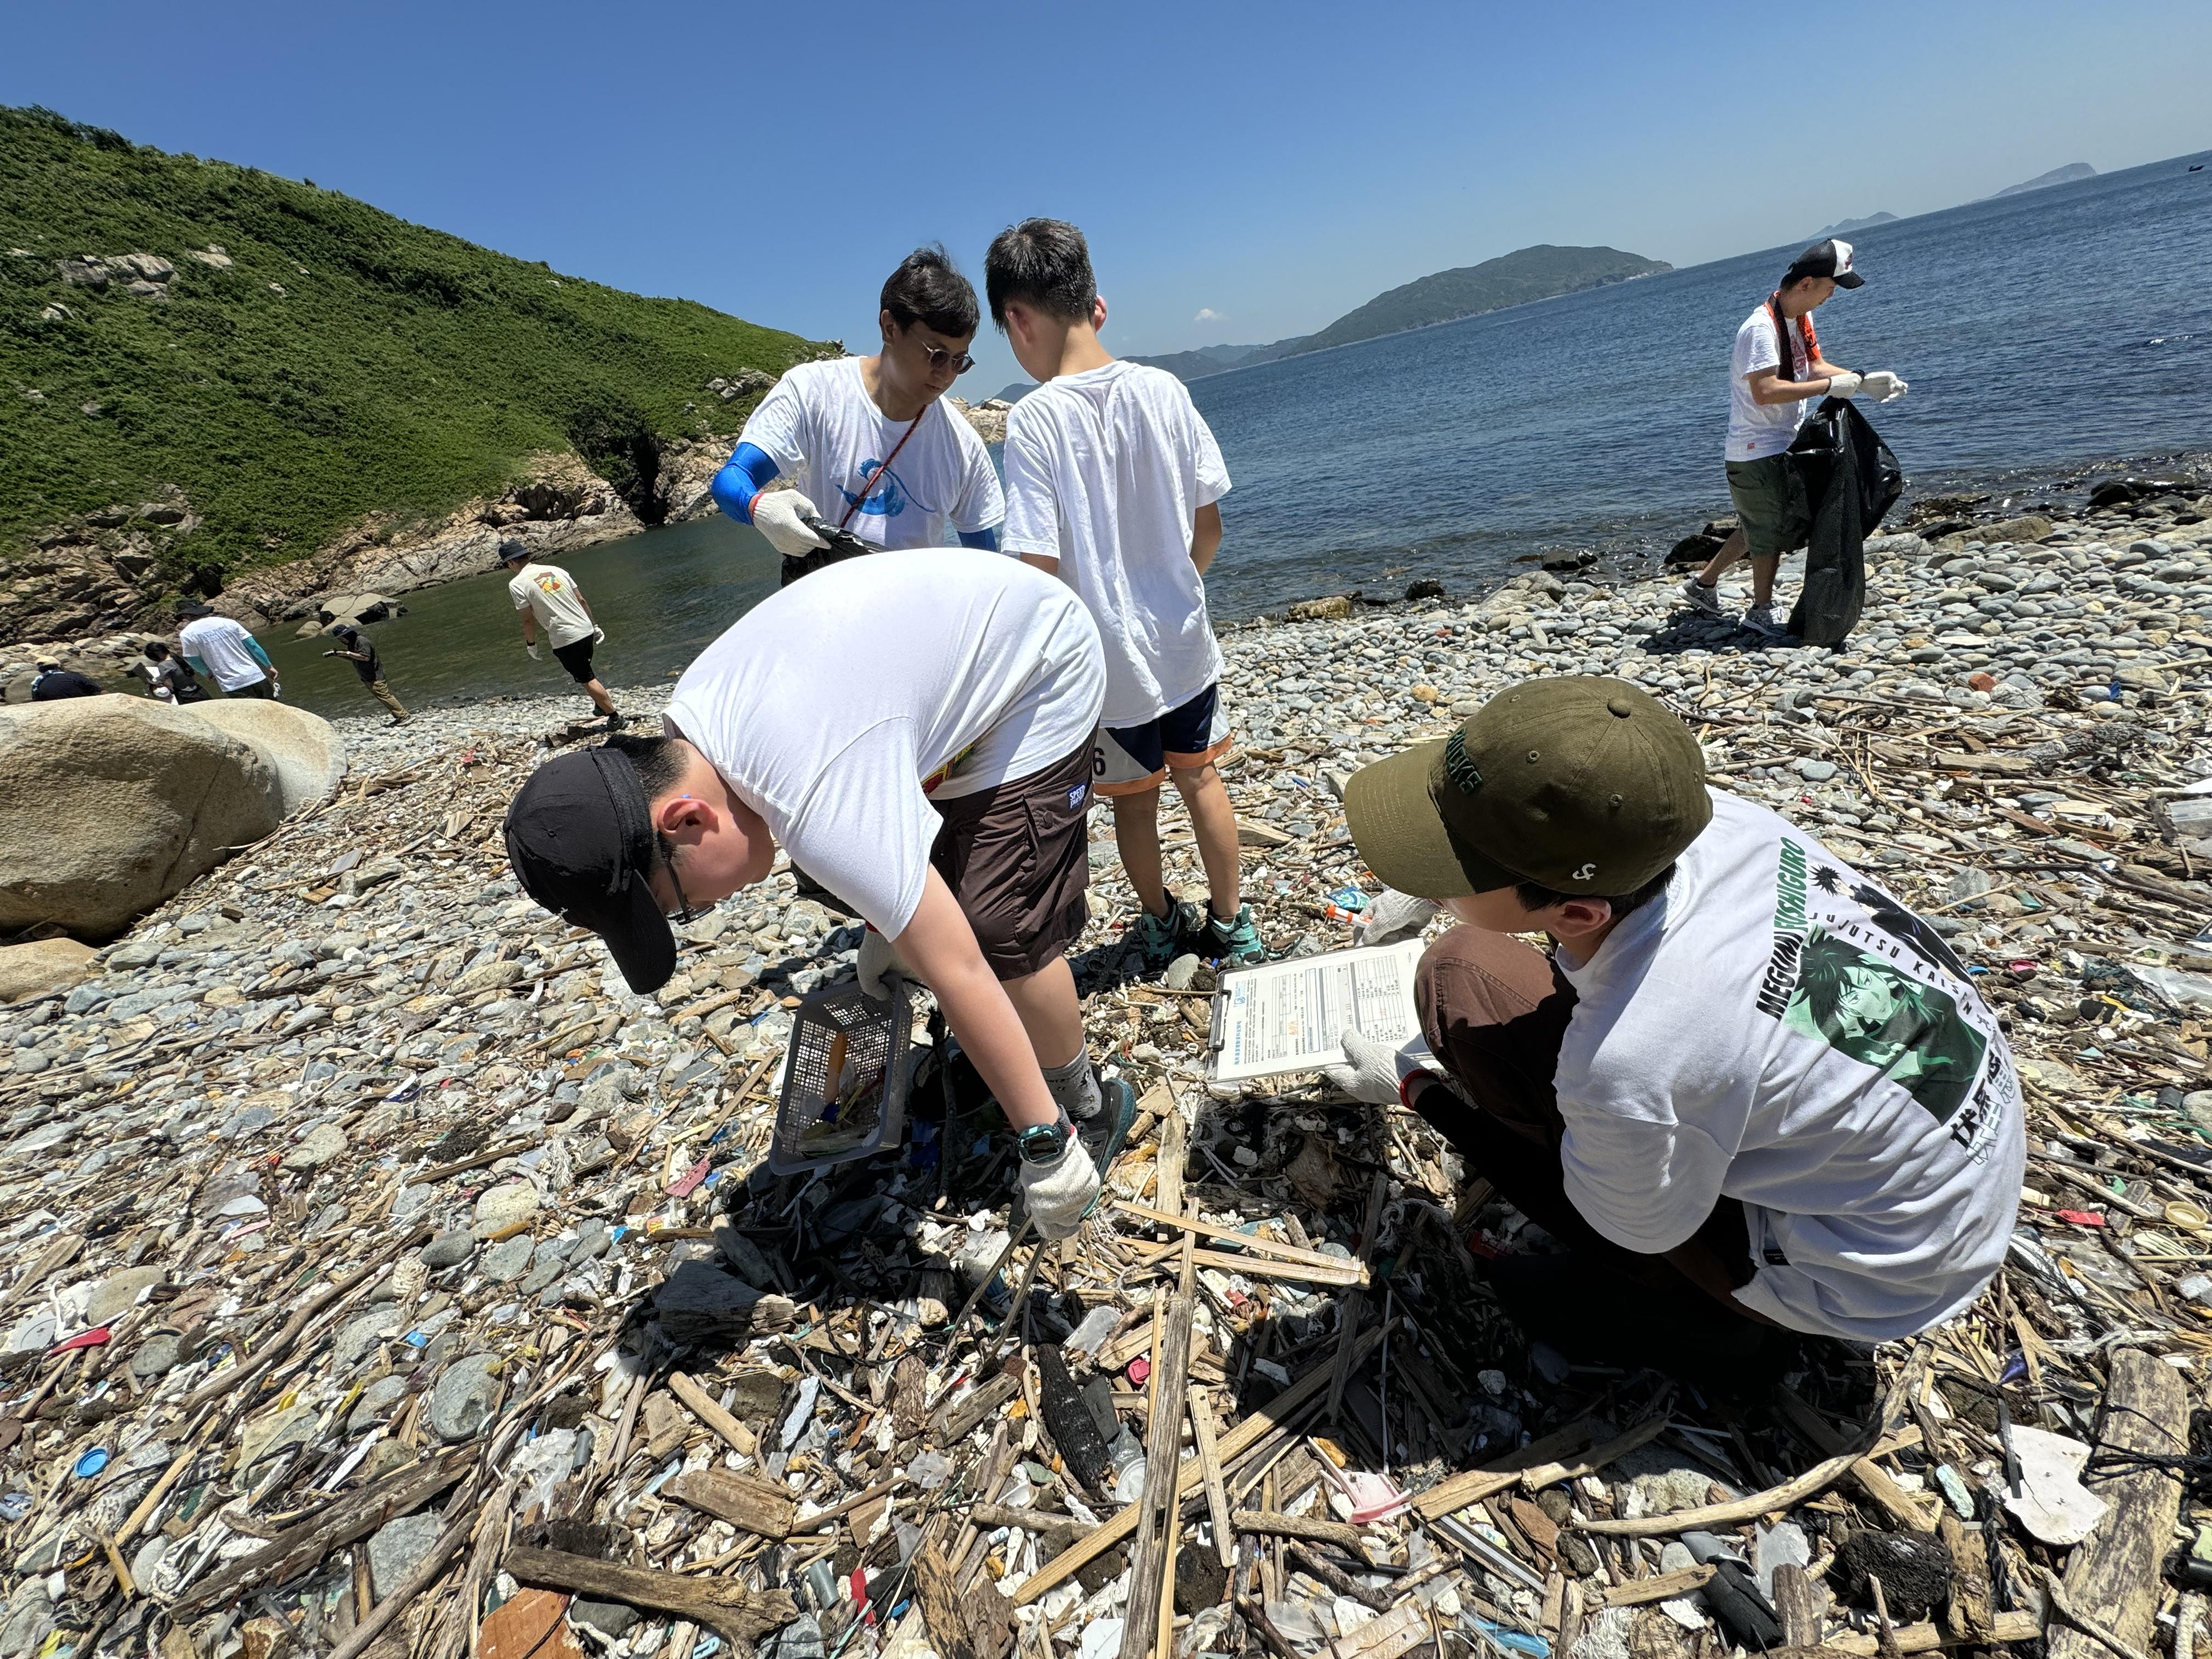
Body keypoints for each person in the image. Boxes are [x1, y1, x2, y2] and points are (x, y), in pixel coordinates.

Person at [1324, 675, 2023, 1372]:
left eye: (1448, 874)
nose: (1430, 888)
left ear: (1576, 913)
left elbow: (1633, 1230)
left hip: (1865, 1280)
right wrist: (1456, 893)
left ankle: (1708, 1320)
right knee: (1473, 963)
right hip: (1946, 1185)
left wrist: (1422, 1093)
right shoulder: (1718, 825)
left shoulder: (1632, 1056)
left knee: (1461, 982)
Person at [504, 551, 1132, 1240]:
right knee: (939, 893)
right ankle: (1013, 1064)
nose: (704, 911)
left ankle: (1082, 1103)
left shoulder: (810, 797)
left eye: (686, 904)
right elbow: (864, 763)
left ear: (687, 820)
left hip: (1037, 664)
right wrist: (889, 925)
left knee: (1002, 926)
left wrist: (1043, 1146)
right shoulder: (691, 726)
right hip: (956, 657)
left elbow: (961, 969)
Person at [985, 218, 1263, 970]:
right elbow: (1210, 523)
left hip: (1104, 663)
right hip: (1182, 638)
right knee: (1203, 779)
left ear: (1018, 318)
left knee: (1134, 805)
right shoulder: (1165, 390)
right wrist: (1179, 588)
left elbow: (1036, 566)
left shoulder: (1036, 419)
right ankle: (1232, 922)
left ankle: (1163, 921)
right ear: (1093, 304)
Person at [710, 247, 1005, 571]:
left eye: (959, 361)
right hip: (826, 610)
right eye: (936, 355)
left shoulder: (963, 446)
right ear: (890, 327)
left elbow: (988, 569)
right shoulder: (812, 392)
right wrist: (758, 508)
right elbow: (732, 479)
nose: (947, 374)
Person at [1681, 238, 1908, 637]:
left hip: (1785, 439)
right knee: (1769, 530)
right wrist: (1831, 388)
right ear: (1807, 283)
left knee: (1760, 521)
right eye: (1830, 288)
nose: (1831, 296)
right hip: (1756, 448)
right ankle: (1761, 609)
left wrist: (1861, 380)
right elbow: (1765, 390)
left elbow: (1815, 366)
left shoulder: (1799, 319)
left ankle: (1703, 586)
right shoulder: (1760, 329)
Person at [501, 540, 623, 728]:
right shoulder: (558, 570)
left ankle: (615, 717)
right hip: (585, 629)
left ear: (510, 563)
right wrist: (595, 625)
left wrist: (531, 644)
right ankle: (600, 705)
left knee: (586, 678)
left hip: (565, 637)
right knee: (585, 670)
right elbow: (581, 600)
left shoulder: (517, 584)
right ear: (528, 556)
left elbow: (527, 619)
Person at [176, 603, 278, 698]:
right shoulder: (229, 623)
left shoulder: (187, 634)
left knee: (250, 715)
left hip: (232, 684)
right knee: (273, 710)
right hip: (255, 675)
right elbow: (253, 646)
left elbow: (193, 660)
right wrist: (269, 666)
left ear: (186, 615)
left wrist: (207, 673)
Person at [324, 625, 410, 724]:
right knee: (382, 697)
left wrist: (347, 653)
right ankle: (400, 717)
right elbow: (354, 658)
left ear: (346, 635)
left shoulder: (362, 641)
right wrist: (338, 654)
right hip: (367, 677)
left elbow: (365, 657)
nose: (341, 640)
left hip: (375, 676)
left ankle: (404, 717)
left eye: (340, 638)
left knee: (386, 696)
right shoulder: (352, 644)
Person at [126, 641, 210, 704]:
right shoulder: (177, 657)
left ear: (156, 655)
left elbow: (169, 685)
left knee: (157, 688)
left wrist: (155, 683)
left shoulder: (164, 665)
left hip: (187, 696)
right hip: (200, 691)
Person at [29, 657, 103, 699]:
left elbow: (36, 699)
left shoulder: (37, 684)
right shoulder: (75, 676)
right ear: (57, 667)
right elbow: (97, 690)